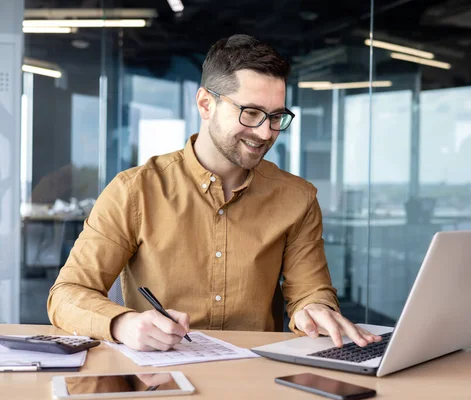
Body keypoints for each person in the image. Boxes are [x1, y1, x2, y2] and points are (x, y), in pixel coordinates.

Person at [48, 34, 380, 352]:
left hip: (255, 378)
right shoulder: (135, 190)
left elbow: (311, 290)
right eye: (250, 113)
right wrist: (124, 324)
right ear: (206, 104)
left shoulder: (298, 198)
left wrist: (314, 308)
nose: (265, 132)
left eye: (276, 116)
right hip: (161, 375)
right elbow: (67, 294)